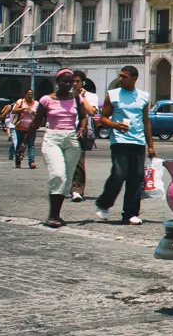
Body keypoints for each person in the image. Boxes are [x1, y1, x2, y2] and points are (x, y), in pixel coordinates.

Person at [94, 66, 156, 226]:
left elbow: (146, 122)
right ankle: (104, 204)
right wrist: (115, 125)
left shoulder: (143, 96)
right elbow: (103, 119)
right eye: (120, 76)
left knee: (136, 178)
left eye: (124, 76)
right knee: (119, 174)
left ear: (134, 78)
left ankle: (130, 213)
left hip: (138, 141)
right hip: (120, 141)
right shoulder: (112, 95)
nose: (120, 79)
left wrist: (150, 145)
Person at [30, 69, 89, 228]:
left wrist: (82, 128)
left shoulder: (77, 98)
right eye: (65, 81)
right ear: (57, 82)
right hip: (53, 138)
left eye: (72, 81)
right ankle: (52, 215)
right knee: (58, 175)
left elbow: (83, 117)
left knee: (68, 179)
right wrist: (24, 143)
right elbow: (36, 122)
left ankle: (56, 214)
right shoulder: (46, 100)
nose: (69, 84)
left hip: (72, 139)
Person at [70, 70, 99, 202]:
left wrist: (81, 98)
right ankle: (69, 186)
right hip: (65, 130)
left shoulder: (91, 96)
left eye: (77, 81)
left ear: (83, 82)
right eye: (73, 81)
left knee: (79, 161)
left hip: (80, 131)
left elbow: (92, 111)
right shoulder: (66, 96)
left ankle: (77, 189)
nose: (75, 84)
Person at [13, 90, 38, 168]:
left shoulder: (36, 103)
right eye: (28, 94)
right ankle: (18, 161)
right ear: (25, 95)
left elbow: (38, 114)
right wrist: (23, 108)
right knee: (20, 144)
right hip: (20, 126)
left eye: (31, 94)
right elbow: (14, 110)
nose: (30, 96)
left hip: (31, 127)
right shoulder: (20, 102)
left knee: (31, 144)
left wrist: (33, 112)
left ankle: (31, 162)